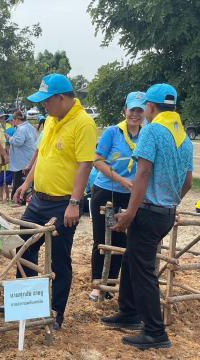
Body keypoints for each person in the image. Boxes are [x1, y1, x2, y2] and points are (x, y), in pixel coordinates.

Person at [102, 84, 193, 350]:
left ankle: (155, 332)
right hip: (164, 212)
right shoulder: (184, 137)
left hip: (147, 210)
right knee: (132, 260)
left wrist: (130, 212)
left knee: (143, 272)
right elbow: (187, 181)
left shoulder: (152, 130)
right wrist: (171, 202)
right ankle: (128, 312)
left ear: (151, 107)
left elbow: (142, 174)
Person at [14, 74, 97, 329]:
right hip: (38, 199)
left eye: (46, 101)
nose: (43, 106)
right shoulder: (51, 119)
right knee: (24, 249)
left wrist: (75, 202)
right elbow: (41, 153)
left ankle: (55, 312)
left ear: (61, 98)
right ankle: (26, 306)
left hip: (63, 204)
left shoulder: (83, 124)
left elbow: (85, 164)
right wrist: (27, 182)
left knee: (59, 259)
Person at [89, 91, 145, 302]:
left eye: (140, 111)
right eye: (132, 110)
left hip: (130, 196)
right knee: (102, 238)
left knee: (121, 240)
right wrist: (121, 180)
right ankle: (97, 284)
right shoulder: (113, 133)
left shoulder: (146, 135)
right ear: (125, 111)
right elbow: (97, 160)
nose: (135, 115)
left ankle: (110, 283)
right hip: (106, 191)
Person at [7, 110, 38, 203]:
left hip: (22, 159)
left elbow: (18, 142)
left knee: (19, 180)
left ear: (17, 119)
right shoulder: (31, 127)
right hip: (29, 157)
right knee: (28, 181)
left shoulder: (21, 129)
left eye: (13, 119)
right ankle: (26, 199)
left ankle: (18, 199)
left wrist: (9, 138)